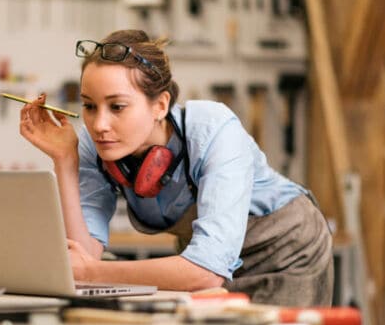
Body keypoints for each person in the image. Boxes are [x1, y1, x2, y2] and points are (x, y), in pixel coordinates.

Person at [19, 29, 333, 306]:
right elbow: (84, 255)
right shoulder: (95, 144)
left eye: (117, 107)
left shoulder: (213, 130)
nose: (99, 124)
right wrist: (66, 161)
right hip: (202, 266)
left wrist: (94, 272)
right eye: (89, 106)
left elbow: (206, 271)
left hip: (285, 251)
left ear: (160, 105)